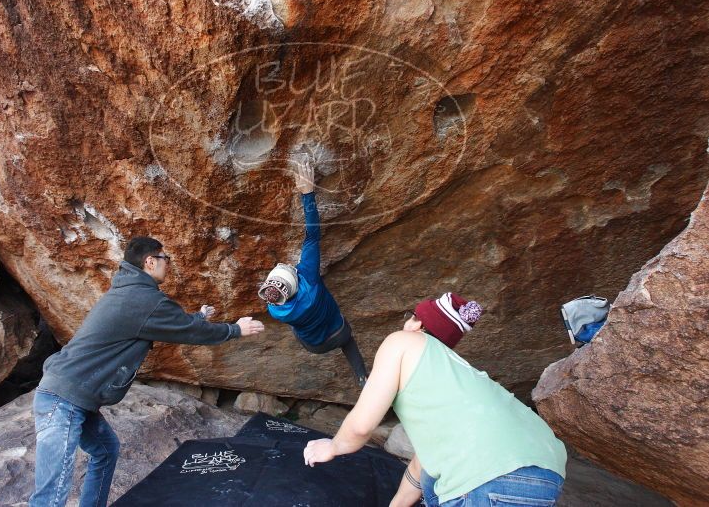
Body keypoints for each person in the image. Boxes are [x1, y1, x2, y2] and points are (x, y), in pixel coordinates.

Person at [30, 237, 265, 507]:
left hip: (75, 396)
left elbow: (174, 323)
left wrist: (198, 316)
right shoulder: (142, 298)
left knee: (106, 451)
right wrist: (235, 330)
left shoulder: (131, 292)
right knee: (51, 494)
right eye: (165, 259)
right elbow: (187, 331)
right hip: (64, 399)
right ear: (150, 262)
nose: (168, 264)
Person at [303, 294, 567, 507]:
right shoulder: (460, 380)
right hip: (546, 474)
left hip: (487, 478)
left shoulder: (403, 342)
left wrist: (334, 446)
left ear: (417, 325)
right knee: (435, 481)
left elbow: (362, 425)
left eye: (410, 317)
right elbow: (424, 465)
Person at [257, 160, 368, 387]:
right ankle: (362, 378)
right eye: (288, 269)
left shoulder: (275, 309)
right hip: (338, 331)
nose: (286, 264)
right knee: (348, 343)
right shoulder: (308, 278)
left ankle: (362, 378)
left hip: (313, 345)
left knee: (303, 329)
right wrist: (307, 193)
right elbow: (312, 236)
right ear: (296, 282)